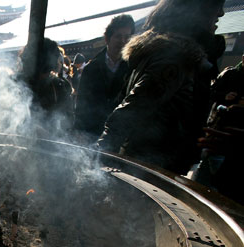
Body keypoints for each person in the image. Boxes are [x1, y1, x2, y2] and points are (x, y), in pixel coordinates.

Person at [97, 0, 226, 174]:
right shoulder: (175, 57)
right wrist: (97, 159)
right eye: (216, 5)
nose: (221, 14)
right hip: (150, 167)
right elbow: (130, 111)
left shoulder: (171, 52)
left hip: (151, 164)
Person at [192, 52, 244, 203]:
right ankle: (194, 195)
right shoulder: (230, 74)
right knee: (207, 166)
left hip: (235, 142)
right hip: (220, 129)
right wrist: (225, 97)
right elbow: (212, 92)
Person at [74, 14, 135, 143]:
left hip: (119, 135)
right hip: (92, 132)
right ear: (107, 38)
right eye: (118, 36)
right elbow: (81, 104)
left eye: (127, 37)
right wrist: (79, 131)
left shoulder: (133, 68)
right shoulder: (91, 68)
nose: (123, 41)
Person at [16, 37, 74, 138]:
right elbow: (4, 116)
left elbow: (68, 118)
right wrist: (29, 125)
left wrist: (54, 130)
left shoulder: (59, 86)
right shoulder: (15, 83)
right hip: (17, 143)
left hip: (51, 145)